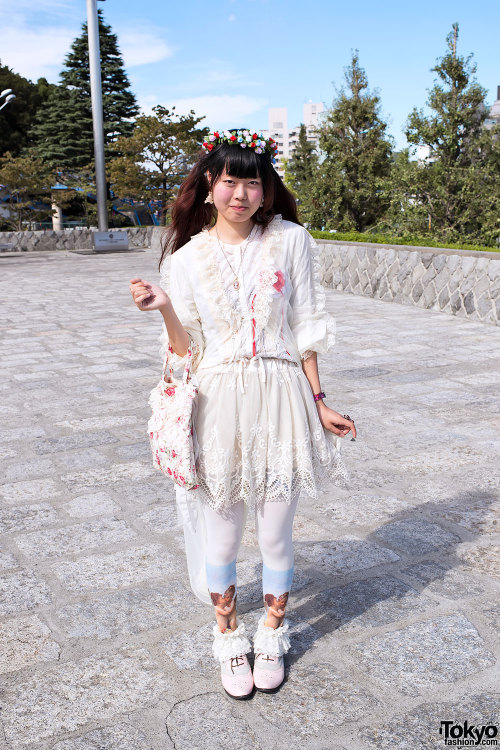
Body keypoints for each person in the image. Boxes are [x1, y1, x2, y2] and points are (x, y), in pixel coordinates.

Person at [129, 128, 356, 699]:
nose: (241, 193)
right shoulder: (185, 259)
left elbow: (305, 327)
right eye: (230, 180)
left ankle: (273, 630)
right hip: (218, 401)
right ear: (210, 185)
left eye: (252, 182)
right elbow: (188, 351)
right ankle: (228, 637)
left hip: (282, 396)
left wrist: (320, 401)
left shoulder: (293, 240)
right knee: (223, 536)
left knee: (277, 532)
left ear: (267, 190)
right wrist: (164, 310)